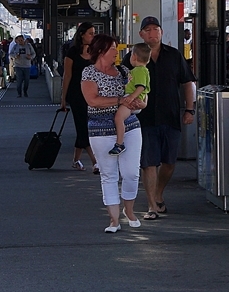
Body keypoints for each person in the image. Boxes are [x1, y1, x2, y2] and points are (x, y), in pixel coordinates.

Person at [124, 16, 196, 220]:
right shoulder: (132, 57)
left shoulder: (174, 55)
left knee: (169, 162)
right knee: (149, 162)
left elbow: (187, 82)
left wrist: (189, 110)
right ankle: (152, 206)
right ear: (141, 34)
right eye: (147, 30)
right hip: (144, 119)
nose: (152, 33)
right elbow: (123, 82)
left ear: (162, 32)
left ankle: (158, 193)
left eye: (156, 29)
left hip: (170, 115)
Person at [82, 33, 145, 233]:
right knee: (108, 175)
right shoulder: (89, 72)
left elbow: (141, 94)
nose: (116, 52)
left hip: (130, 125)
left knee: (131, 173)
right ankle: (114, 220)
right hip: (100, 129)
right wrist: (120, 100)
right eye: (112, 49)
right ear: (101, 51)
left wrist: (140, 103)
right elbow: (92, 100)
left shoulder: (124, 70)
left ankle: (129, 210)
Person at [60, 22, 100, 175]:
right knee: (84, 127)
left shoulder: (95, 52)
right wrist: (63, 98)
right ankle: (95, 162)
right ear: (82, 34)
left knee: (84, 127)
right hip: (76, 94)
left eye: (94, 33)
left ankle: (76, 160)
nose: (93, 36)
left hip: (92, 95)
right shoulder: (72, 52)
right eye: (90, 33)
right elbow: (67, 75)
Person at [112, 43, 151, 155]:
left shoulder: (139, 70)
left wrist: (131, 97)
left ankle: (120, 143)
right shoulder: (141, 70)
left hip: (132, 99)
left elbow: (141, 87)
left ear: (134, 56)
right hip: (135, 99)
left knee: (118, 118)